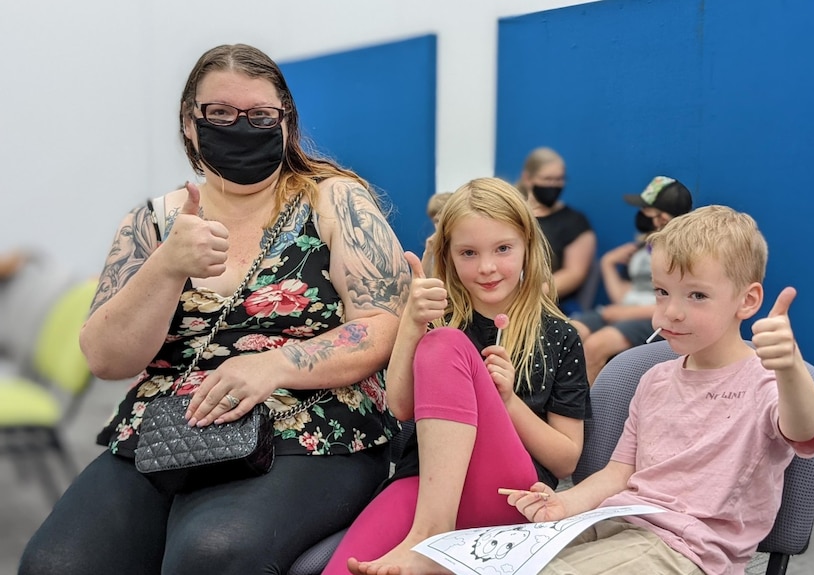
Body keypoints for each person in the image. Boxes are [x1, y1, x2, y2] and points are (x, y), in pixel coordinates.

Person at [19, 43, 409, 575]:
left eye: (260, 116)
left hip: (309, 422)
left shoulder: (333, 200)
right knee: (55, 564)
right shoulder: (154, 223)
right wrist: (167, 265)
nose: (241, 127)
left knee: (213, 551)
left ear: (286, 124)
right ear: (189, 123)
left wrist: (273, 365)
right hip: (167, 429)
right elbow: (107, 359)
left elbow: (381, 325)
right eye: (221, 114)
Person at [508, 205, 814, 575]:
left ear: (748, 301)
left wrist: (790, 369)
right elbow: (619, 473)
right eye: (662, 292)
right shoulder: (654, 379)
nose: (671, 311)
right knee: (507, 561)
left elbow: (803, 431)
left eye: (697, 296)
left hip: (689, 550)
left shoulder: (766, 383)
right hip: (617, 523)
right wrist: (564, 505)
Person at [325, 177, 591, 575]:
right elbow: (400, 408)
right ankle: (431, 529)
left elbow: (567, 459)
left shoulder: (560, 335)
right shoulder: (436, 320)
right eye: (468, 252)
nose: (486, 267)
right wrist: (412, 325)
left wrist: (508, 402)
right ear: (447, 257)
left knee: (445, 344)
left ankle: (429, 534)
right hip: (425, 483)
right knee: (348, 569)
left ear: (528, 248)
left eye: (503, 249)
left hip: (510, 494)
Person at [570, 175, 692, 383]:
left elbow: (680, 303)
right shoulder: (643, 247)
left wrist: (624, 313)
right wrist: (607, 264)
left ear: (662, 217)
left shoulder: (685, 252)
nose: (642, 215)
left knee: (595, 347)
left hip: (655, 318)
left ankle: (587, 415)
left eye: (647, 210)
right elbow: (625, 296)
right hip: (624, 311)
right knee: (569, 334)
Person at [515, 147, 596, 313]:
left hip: (547, 304)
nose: (554, 185)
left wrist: (525, 297)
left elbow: (574, 274)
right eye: (547, 179)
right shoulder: (511, 214)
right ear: (527, 179)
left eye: (559, 179)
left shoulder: (574, 222)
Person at [420, 191, 453, 277]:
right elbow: (422, 280)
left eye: (442, 220)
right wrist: (428, 253)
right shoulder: (433, 247)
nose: (439, 226)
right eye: (436, 221)